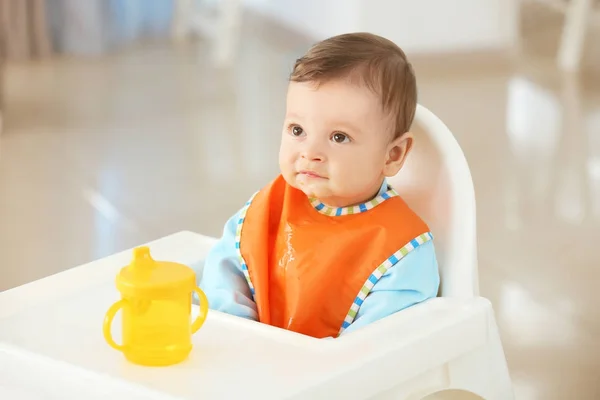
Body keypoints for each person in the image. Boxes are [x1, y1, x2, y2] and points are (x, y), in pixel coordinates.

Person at [197, 32, 440, 339]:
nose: (309, 152)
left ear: (392, 155)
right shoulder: (275, 203)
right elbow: (226, 267)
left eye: (339, 137)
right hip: (251, 359)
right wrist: (241, 329)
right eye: (297, 129)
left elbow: (377, 350)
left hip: (333, 380)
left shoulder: (401, 250)